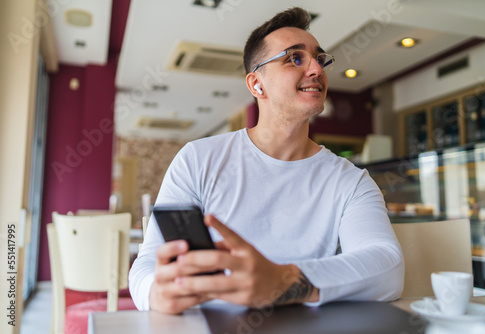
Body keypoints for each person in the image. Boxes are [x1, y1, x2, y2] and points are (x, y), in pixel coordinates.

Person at [129, 7, 404, 314]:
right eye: (295, 58)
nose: (317, 69)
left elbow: (387, 266)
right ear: (256, 84)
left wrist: (281, 280)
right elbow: (149, 263)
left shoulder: (350, 180)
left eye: (320, 58)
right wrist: (156, 294)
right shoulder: (198, 159)